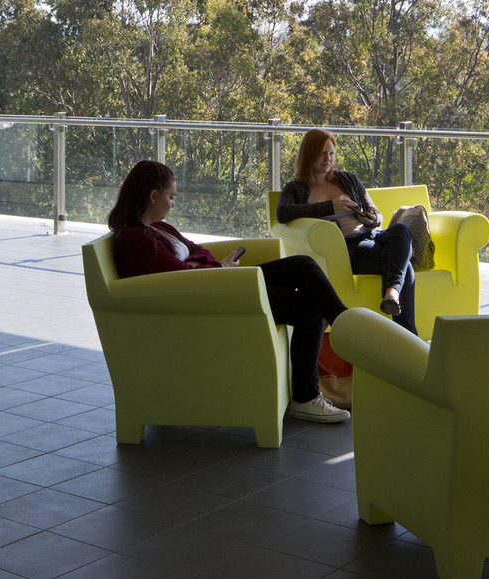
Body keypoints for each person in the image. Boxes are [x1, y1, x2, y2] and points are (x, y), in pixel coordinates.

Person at [110, 160, 351, 424]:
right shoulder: (136, 241)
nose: (173, 204)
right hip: (216, 297)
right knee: (310, 308)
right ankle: (310, 392)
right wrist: (202, 267)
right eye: (171, 197)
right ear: (153, 196)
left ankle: (344, 323)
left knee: (302, 265)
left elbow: (199, 250)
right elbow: (178, 280)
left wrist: (203, 264)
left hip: (219, 281)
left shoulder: (158, 228)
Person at [276, 128, 417, 333]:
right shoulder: (296, 188)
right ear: (309, 153)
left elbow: (378, 214)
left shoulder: (347, 179)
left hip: (371, 234)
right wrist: (330, 206)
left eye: (331, 154)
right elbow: (283, 213)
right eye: (323, 153)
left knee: (400, 230)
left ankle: (392, 294)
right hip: (349, 245)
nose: (328, 159)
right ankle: (407, 332)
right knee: (406, 268)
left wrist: (370, 217)